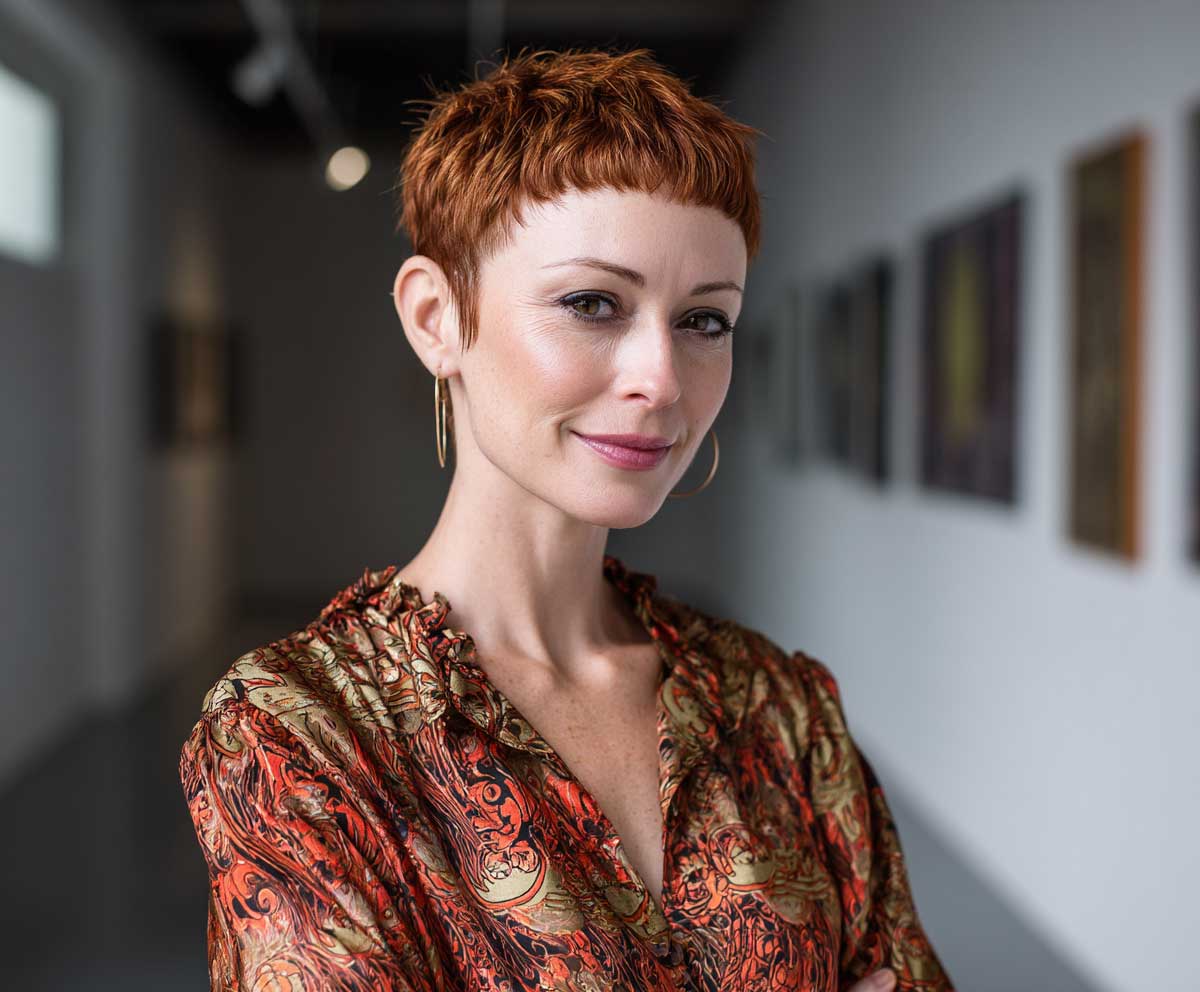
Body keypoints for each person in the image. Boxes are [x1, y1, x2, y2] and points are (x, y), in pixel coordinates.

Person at [179, 46, 953, 992]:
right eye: (593, 303)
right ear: (436, 318)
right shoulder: (302, 736)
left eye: (704, 320)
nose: (661, 380)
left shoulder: (780, 710)